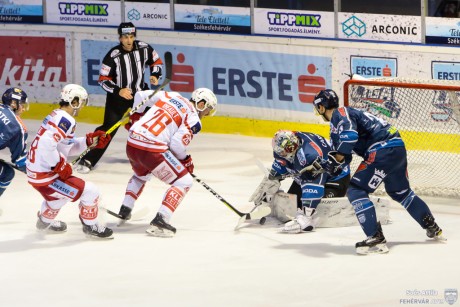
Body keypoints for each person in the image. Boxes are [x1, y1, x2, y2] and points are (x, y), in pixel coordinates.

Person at [313, 89, 444, 254]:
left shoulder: (340, 113)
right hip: (396, 148)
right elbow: (345, 155)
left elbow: (349, 137)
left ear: (322, 107)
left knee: (356, 190)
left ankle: (375, 237)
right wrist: (331, 165)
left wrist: (336, 159)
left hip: (381, 150)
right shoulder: (340, 123)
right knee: (400, 192)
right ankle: (431, 225)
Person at [117, 87, 217, 237]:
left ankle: (125, 208)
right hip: (152, 150)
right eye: (207, 109)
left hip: (132, 142)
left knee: (141, 173)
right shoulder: (194, 118)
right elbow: (177, 145)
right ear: (201, 104)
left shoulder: (171, 95)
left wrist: (135, 118)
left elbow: (140, 95)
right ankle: (161, 220)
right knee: (184, 181)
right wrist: (185, 160)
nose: (207, 114)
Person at [26, 84, 114, 238]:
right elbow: (46, 144)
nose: (82, 107)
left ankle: (44, 221)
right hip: (46, 176)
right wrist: (59, 166)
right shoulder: (65, 119)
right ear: (74, 101)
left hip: (37, 172)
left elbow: (66, 147)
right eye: (81, 103)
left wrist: (88, 142)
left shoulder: (57, 115)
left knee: (56, 200)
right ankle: (90, 226)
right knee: (90, 191)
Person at [76, 22, 164, 174]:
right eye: (125, 37)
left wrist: (155, 75)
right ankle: (88, 158)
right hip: (118, 98)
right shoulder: (113, 55)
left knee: (150, 125)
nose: (129, 40)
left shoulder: (144, 48)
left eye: (131, 36)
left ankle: (155, 158)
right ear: (120, 38)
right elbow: (103, 79)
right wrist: (118, 90)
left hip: (140, 94)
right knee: (108, 129)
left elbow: (156, 61)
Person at [250, 130, 350, 233]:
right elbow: (280, 166)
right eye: (280, 152)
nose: (281, 154)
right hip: (305, 174)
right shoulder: (287, 145)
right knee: (291, 204)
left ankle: (309, 217)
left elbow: (314, 186)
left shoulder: (310, 155)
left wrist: (306, 217)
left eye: (284, 151)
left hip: (335, 178)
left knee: (322, 207)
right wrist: (271, 183)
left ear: (292, 147)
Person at [0, 87, 29, 197]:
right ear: (13, 103)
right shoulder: (16, 127)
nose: (23, 109)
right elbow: (20, 161)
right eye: (21, 104)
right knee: (7, 173)